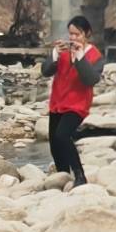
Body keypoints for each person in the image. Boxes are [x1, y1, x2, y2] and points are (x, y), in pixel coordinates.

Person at [41, 15, 104, 186]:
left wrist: (80, 57)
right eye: (71, 34)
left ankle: (80, 175)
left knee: (63, 135)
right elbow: (45, 71)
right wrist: (55, 54)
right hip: (58, 102)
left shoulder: (95, 55)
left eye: (77, 34)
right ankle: (63, 176)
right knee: (54, 142)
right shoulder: (63, 52)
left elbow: (90, 80)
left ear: (87, 34)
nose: (73, 38)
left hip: (77, 105)